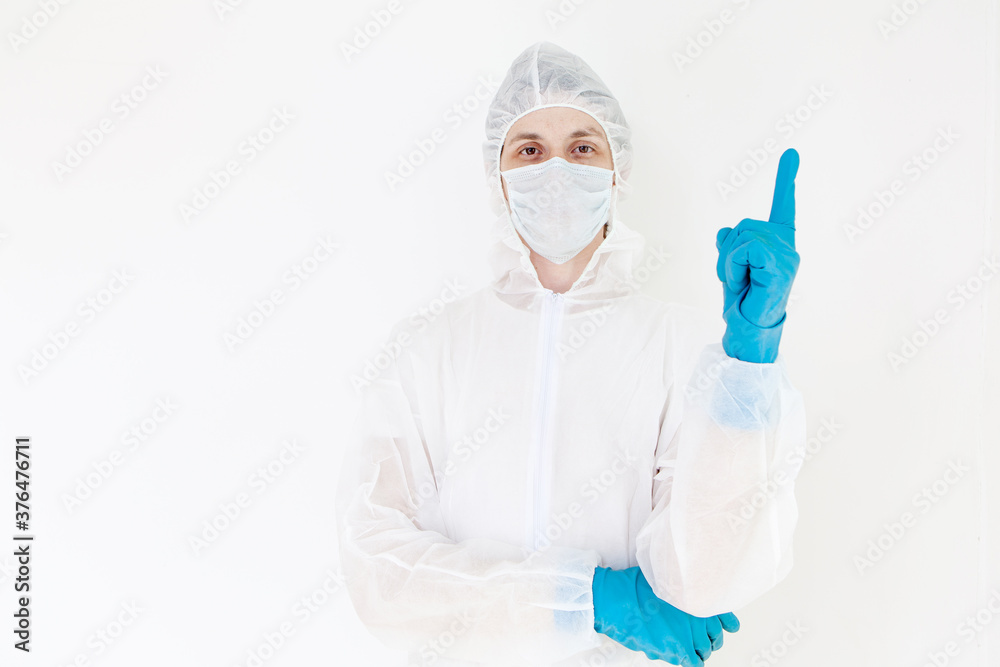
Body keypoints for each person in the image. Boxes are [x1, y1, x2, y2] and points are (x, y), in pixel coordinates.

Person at [336, 41, 806, 666]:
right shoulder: (429, 354)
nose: (556, 168)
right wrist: (586, 601)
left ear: (617, 171)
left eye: (582, 147)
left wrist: (746, 367)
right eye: (529, 150)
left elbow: (707, 577)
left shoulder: (683, 352)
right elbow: (379, 570)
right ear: (497, 177)